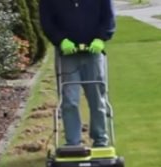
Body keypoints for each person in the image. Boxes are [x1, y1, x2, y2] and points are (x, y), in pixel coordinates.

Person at [39, 0, 116, 148]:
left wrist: (101, 38)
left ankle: (100, 141)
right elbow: (47, 21)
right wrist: (60, 40)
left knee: (97, 98)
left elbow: (109, 17)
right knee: (69, 100)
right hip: (67, 54)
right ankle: (73, 143)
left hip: (93, 52)